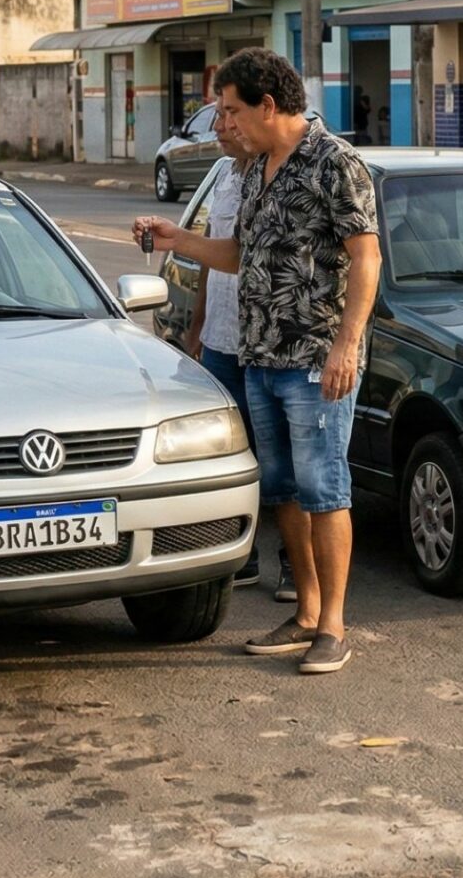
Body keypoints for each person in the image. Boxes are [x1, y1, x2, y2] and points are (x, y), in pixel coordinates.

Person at [137, 48, 380, 676]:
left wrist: (347, 344)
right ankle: (304, 612)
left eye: (233, 110)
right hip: (260, 355)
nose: (227, 123)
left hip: (315, 360)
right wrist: (178, 239)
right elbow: (240, 255)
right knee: (283, 493)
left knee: (325, 489)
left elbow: (367, 258)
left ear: (268, 105)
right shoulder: (255, 169)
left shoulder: (335, 162)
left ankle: (333, 626)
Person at [182, 128, 284, 594]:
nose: (219, 128)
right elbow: (211, 251)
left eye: (228, 115)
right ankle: (242, 555)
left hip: (265, 343)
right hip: (222, 338)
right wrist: (198, 322)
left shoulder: (274, 173)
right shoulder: (225, 174)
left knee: (279, 459)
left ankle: (293, 562)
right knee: (229, 454)